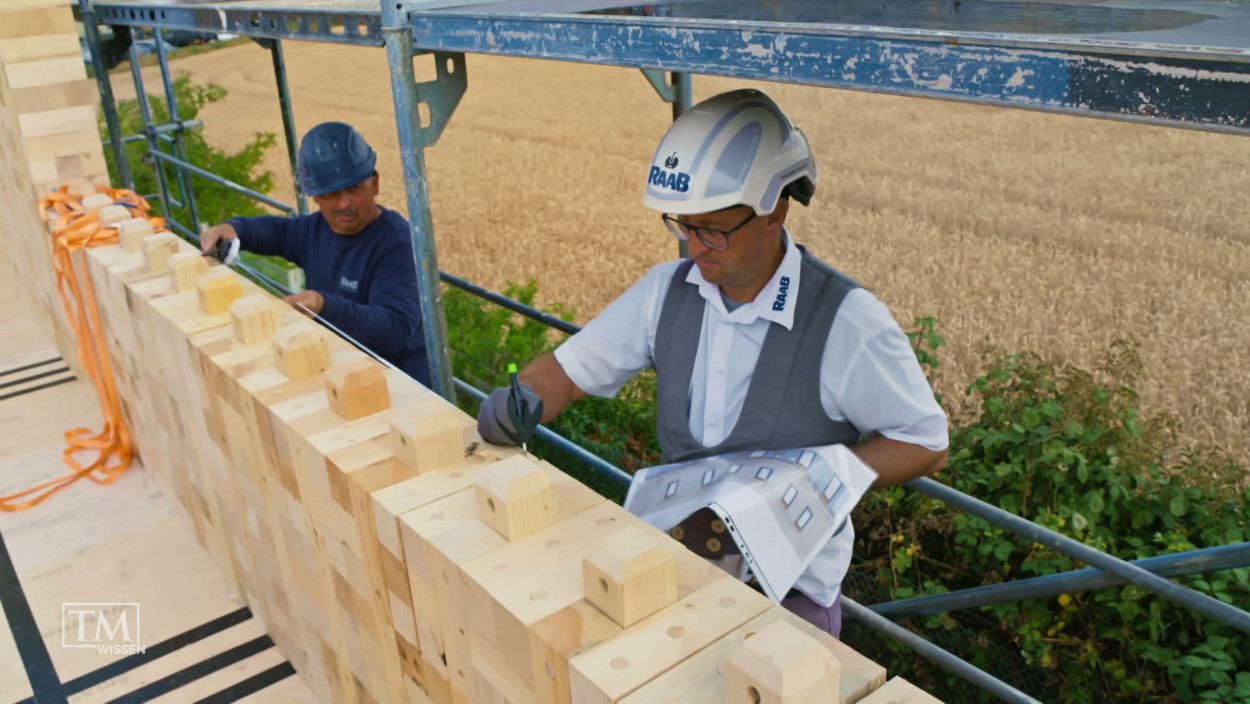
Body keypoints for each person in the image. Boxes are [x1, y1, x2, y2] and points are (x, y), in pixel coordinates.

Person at [477, 89, 950, 637]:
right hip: (674, 574)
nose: (695, 246)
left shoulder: (846, 320)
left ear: (775, 211)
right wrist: (522, 398)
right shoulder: (664, 292)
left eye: (713, 229)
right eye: (683, 225)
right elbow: (565, 373)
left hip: (787, 603)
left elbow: (925, 442)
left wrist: (808, 481)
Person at [199, 121, 430, 388]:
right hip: (339, 374)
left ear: (375, 183)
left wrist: (324, 306)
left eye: (354, 188)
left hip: (398, 387)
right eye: (331, 194)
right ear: (314, 197)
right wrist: (235, 229)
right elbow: (280, 232)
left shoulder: (396, 244)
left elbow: (394, 329)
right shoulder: (316, 229)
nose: (344, 204)